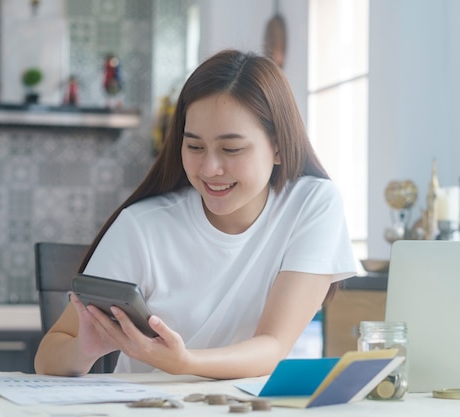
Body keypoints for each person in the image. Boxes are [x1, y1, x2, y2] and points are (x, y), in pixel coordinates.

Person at [34, 49, 356, 378]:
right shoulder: (142, 226)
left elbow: (273, 345)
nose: (210, 168)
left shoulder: (312, 204)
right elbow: (48, 358)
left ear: (277, 146)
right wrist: (83, 350)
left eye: (231, 149)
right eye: (194, 146)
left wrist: (185, 363)